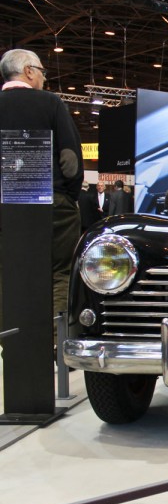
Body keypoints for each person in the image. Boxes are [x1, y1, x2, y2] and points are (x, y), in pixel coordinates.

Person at [0, 48, 84, 324]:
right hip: (52, 202)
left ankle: (8, 343)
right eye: (42, 72)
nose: (44, 79)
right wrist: (68, 195)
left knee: (6, 271)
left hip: (5, 206)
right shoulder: (51, 103)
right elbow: (70, 158)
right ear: (28, 71)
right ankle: (54, 342)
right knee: (59, 272)